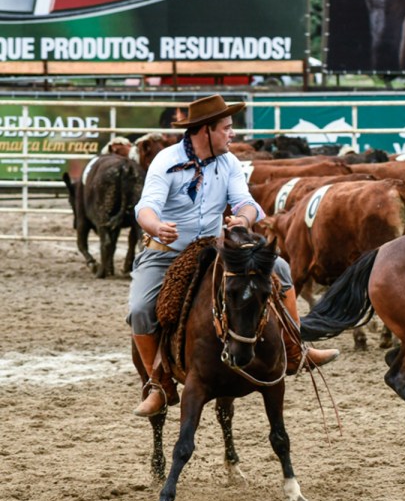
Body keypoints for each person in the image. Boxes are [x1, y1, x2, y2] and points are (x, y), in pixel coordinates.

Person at [129, 95, 339, 416]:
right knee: (141, 308)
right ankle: (159, 383)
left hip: (213, 247)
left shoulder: (228, 163)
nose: (233, 134)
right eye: (226, 128)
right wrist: (156, 226)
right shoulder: (165, 161)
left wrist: (241, 218)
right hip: (166, 251)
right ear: (205, 131)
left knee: (280, 268)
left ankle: (296, 350)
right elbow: (145, 208)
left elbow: (247, 203)